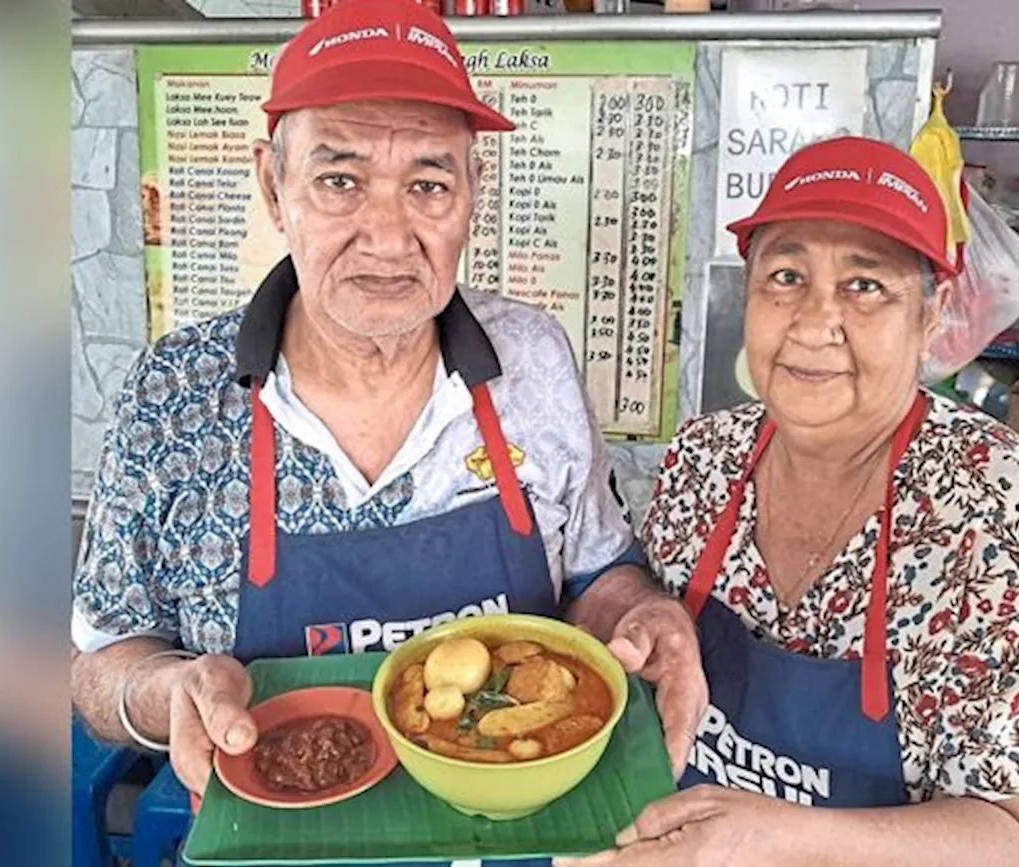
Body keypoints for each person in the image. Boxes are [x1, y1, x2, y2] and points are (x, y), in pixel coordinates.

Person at [68, 0, 706, 838]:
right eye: (340, 180)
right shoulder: (177, 393)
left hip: (518, 835)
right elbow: (99, 664)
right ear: (272, 185)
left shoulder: (533, 364)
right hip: (274, 848)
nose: (388, 233)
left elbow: (596, 577)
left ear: (473, 193)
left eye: (428, 184)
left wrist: (640, 620)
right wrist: (164, 693)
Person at [566, 138, 1019, 866]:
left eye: (866, 286)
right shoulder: (705, 458)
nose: (813, 322)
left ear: (933, 312)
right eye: (786, 276)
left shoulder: (1000, 510)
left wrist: (782, 835)